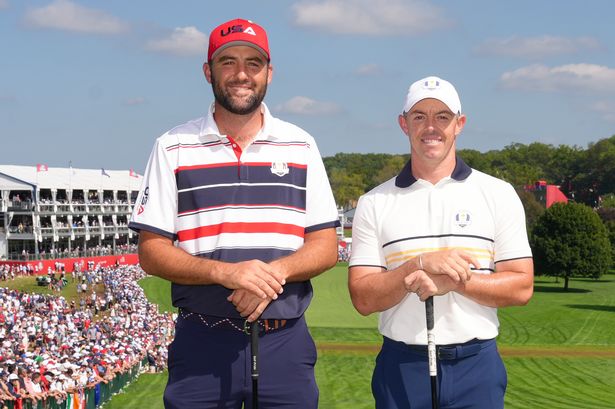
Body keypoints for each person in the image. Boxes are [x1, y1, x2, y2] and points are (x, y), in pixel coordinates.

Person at [129, 18, 339, 409]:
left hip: (285, 342)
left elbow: (325, 246)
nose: (241, 74)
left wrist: (269, 276)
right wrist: (227, 273)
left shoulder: (301, 144)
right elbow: (151, 250)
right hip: (202, 343)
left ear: (269, 74)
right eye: (228, 62)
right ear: (209, 71)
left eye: (252, 63)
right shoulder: (173, 145)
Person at [348, 76, 534, 409]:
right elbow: (362, 297)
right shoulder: (374, 202)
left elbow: (521, 287)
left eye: (442, 117)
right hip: (402, 365)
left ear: (459, 124)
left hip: (476, 366)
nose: (430, 127)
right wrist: (417, 266)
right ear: (404, 124)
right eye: (419, 116)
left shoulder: (497, 194)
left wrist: (453, 281)